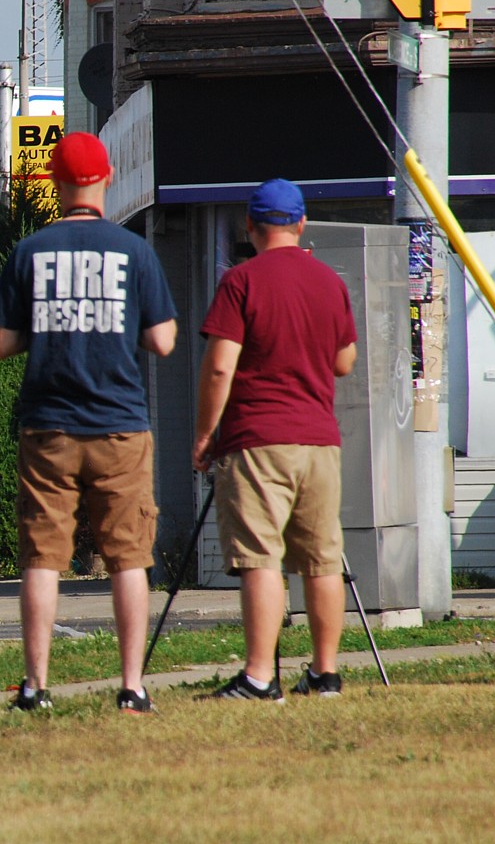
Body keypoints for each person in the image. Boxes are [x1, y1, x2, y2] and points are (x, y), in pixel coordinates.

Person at [0, 132, 178, 715]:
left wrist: (48, 328)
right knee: (129, 557)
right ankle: (132, 686)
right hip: (120, 425)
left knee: (43, 557)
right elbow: (163, 341)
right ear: (107, 178)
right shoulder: (133, 251)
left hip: (49, 426)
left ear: (54, 182)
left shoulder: (30, 251)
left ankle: (36, 686)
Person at [193, 178, 358, 702]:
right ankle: (325, 674)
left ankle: (261, 677)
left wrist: (204, 434)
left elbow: (220, 367)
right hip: (319, 442)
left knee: (260, 557)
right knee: (322, 558)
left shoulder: (240, 281)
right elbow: (345, 361)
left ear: (250, 226)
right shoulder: (328, 281)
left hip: (258, 438)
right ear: (301, 223)